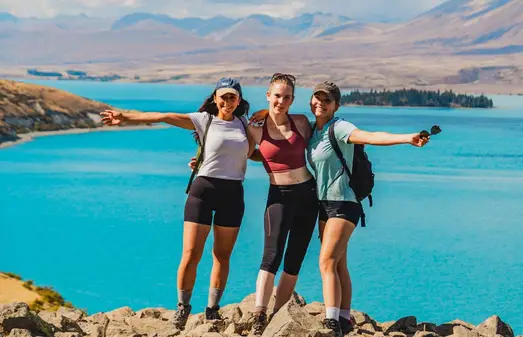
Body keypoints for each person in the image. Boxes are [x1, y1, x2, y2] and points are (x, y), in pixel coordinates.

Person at [100, 77, 255, 330]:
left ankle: (213, 310)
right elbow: (164, 116)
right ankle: (182, 308)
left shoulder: (245, 124)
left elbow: (261, 147)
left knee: (222, 255)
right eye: (223, 96)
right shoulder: (204, 120)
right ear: (215, 98)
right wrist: (125, 117)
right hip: (203, 191)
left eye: (232, 97)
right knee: (191, 254)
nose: (228, 101)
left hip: (233, 193)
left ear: (239, 100)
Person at [307, 81, 430, 336]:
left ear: (336, 106)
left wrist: (408, 138)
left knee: (326, 262)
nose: (320, 103)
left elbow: (372, 137)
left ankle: (331, 322)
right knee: (339, 264)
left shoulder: (340, 127)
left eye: (326, 100)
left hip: (345, 203)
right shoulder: (312, 130)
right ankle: (343, 318)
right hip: (323, 204)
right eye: (316, 98)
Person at [247, 73, 319, 336]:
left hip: (308, 195)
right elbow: (241, 150)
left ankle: (279, 317)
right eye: (276, 95)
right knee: (271, 256)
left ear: (292, 100)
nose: (281, 101)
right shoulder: (254, 126)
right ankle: (259, 314)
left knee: (295, 259)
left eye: (286, 97)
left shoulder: (300, 122)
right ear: (268, 95)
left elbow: (322, 145)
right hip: (279, 195)